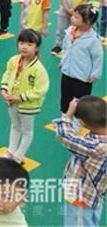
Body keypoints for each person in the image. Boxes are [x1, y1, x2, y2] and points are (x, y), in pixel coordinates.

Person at [52, 96, 107, 227]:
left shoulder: (94, 147)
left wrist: (68, 114)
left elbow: (63, 135)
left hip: (81, 198)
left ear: (82, 123)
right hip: (94, 196)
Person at [0, 29, 49, 163]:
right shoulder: (13, 60)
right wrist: (4, 89)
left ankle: (19, 155)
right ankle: (11, 150)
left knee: (27, 130)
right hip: (12, 102)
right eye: (21, 43)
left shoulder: (39, 70)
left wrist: (20, 97)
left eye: (29, 44)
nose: (24, 46)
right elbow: (7, 74)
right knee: (15, 125)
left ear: (37, 48)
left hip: (28, 106)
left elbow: (40, 90)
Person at [59, 4, 103, 114]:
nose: (72, 18)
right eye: (73, 15)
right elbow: (65, 47)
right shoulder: (70, 32)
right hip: (67, 73)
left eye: (76, 17)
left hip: (82, 77)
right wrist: (63, 60)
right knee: (65, 97)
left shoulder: (93, 40)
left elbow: (98, 57)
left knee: (80, 101)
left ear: (87, 22)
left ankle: (77, 121)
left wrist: (95, 74)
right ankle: (65, 116)